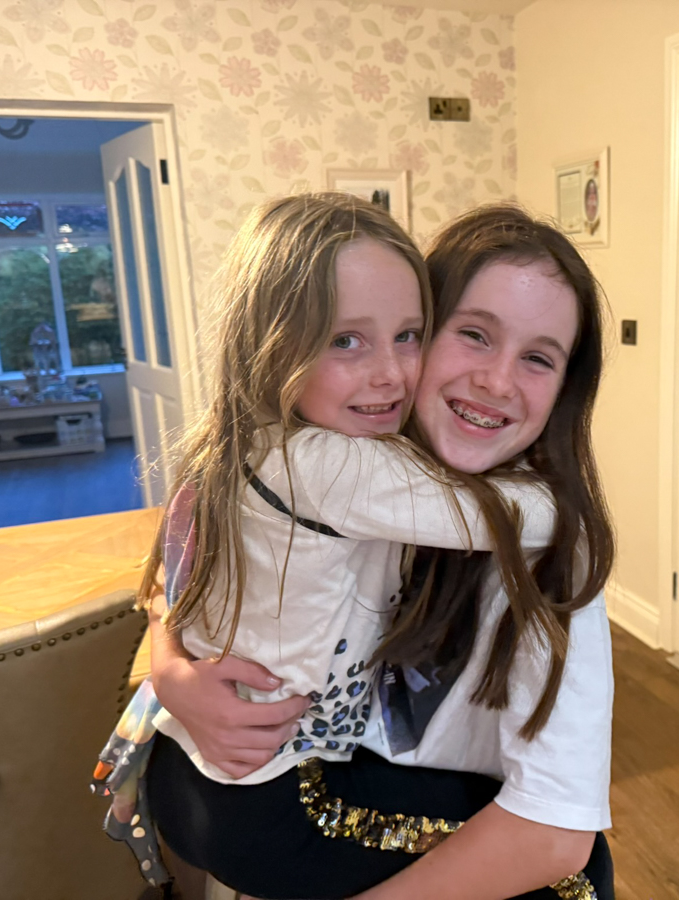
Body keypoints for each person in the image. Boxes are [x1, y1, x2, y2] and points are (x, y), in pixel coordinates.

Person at [138, 204, 617, 900]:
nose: (497, 380)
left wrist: (171, 666)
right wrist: (171, 671)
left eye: (538, 358)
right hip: (267, 791)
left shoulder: (543, 566)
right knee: (582, 883)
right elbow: (177, 576)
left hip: (230, 778)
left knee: (574, 868)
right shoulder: (346, 463)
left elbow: (554, 833)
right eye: (473, 334)